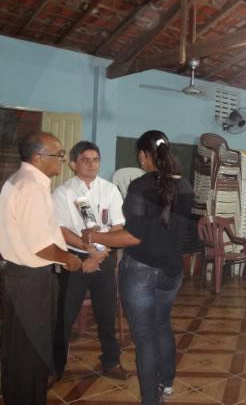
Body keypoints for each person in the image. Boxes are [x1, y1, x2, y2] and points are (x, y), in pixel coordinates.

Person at [81, 130, 193, 405]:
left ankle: (149, 399)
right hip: (172, 272)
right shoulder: (186, 185)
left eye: (140, 156)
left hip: (142, 271)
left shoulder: (141, 186)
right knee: (162, 325)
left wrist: (93, 236)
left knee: (144, 337)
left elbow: (133, 236)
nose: (140, 161)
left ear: (145, 155)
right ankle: (166, 383)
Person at [0, 131, 82, 405]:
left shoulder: (20, 180)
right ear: (38, 157)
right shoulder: (32, 188)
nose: (62, 158)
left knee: (21, 347)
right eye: (57, 153)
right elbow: (40, 246)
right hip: (31, 280)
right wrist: (69, 259)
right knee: (31, 351)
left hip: (19, 276)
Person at [52, 141, 128, 381]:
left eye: (96, 160)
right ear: (74, 164)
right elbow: (62, 230)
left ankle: (111, 361)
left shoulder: (109, 190)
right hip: (74, 259)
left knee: (106, 314)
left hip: (104, 258)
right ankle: (56, 366)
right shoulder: (62, 192)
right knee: (64, 316)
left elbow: (117, 227)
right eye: (86, 160)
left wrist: (99, 256)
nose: (92, 164)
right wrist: (89, 251)